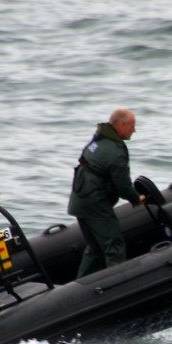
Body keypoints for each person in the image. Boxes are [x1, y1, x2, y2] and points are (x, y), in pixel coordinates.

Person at [68, 108, 146, 278]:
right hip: (95, 204)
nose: (134, 130)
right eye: (131, 125)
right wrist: (136, 199)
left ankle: (80, 286)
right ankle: (118, 284)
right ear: (120, 125)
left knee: (95, 248)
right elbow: (123, 185)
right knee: (114, 246)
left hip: (79, 201)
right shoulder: (115, 151)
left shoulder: (99, 140)